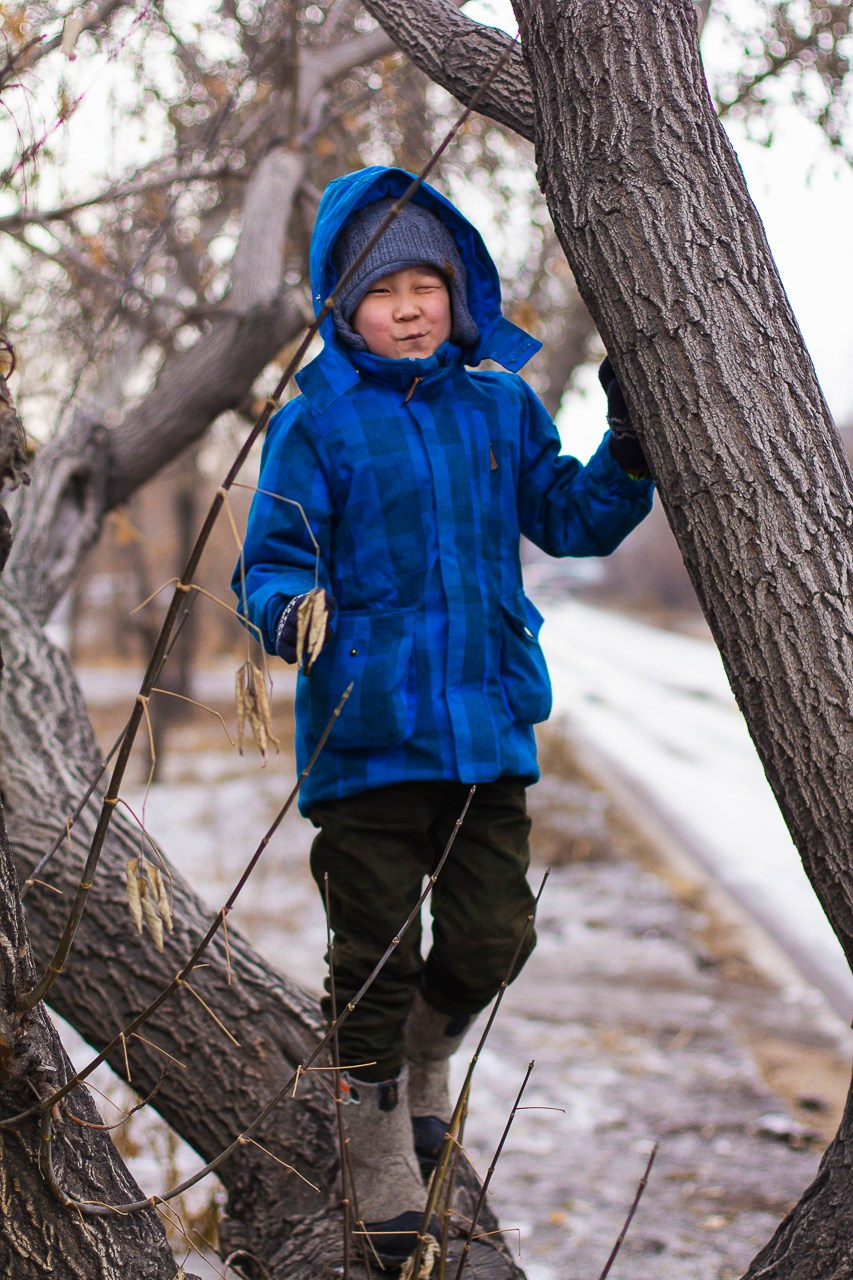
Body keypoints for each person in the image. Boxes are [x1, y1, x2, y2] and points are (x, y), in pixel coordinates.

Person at [233, 166, 654, 1266]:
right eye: (385, 289)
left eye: (428, 281)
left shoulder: (500, 406)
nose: (412, 305)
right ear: (343, 304)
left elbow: (570, 519)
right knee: (371, 955)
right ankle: (375, 1141)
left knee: (491, 934)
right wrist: (289, 613)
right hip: (366, 741)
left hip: (484, 734)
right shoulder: (315, 422)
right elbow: (270, 560)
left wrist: (630, 444)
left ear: (460, 290)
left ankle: (430, 1052)